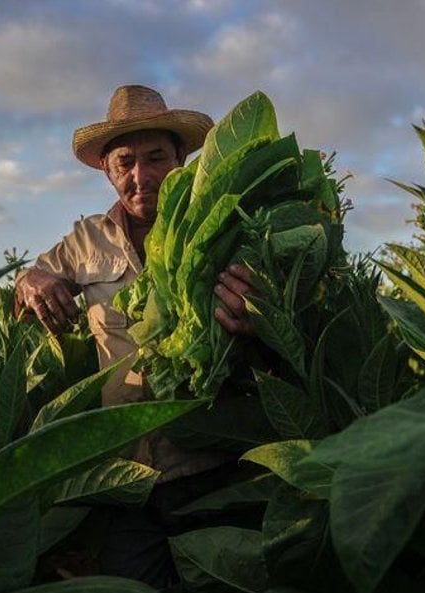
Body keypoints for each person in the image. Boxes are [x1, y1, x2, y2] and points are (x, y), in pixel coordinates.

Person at [15, 85, 256, 587]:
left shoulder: (223, 227)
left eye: (156, 158)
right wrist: (32, 281)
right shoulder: (86, 240)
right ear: (107, 168)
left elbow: (274, 317)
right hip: (128, 477)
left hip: (212, 464)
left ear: (181, 158)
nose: (140, 177)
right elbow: (27, 288)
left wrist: (257, 309)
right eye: (125, 162)